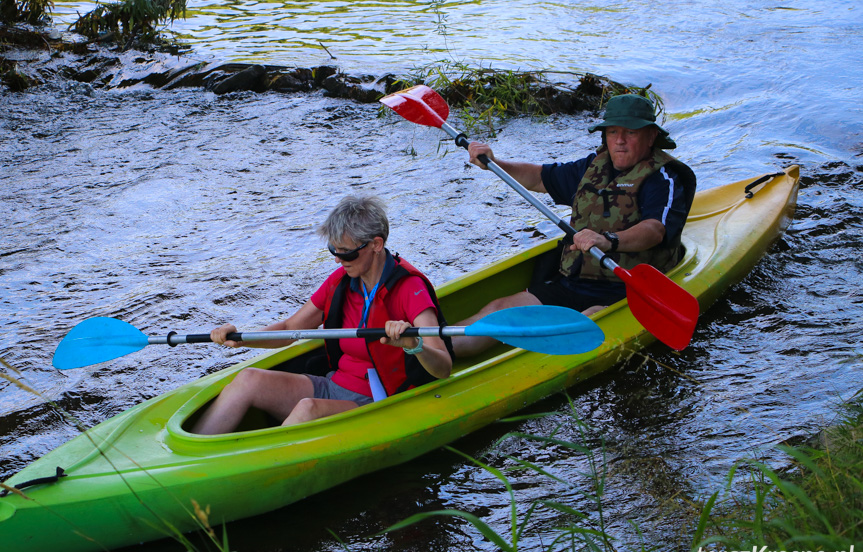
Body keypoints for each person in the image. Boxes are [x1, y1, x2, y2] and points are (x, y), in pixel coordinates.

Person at [454, 93, 697, 357]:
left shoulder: (663, 178)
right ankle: (431, 355)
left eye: (630, 132)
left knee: (585, 322)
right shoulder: (592, 167)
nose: (620, 140)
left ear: (651, 136)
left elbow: (654, 230)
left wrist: (608, 240)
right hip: (572, 283)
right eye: (613, 131)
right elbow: (538, 177)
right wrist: (495, 164)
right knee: (497, 311)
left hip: (625, 291)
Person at [192, 195, 453, 434]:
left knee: (307, 409)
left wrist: (413, 344)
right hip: (334, 385)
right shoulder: (340, 281)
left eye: (347, 252)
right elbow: (290, 328)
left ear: (376, 244)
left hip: (380, 400)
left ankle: (251, 469)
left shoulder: (410, 288)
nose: (338, 260)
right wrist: (240, 338)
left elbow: (443, 367)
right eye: (334, 250)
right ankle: (195, 461)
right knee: (248, 379)